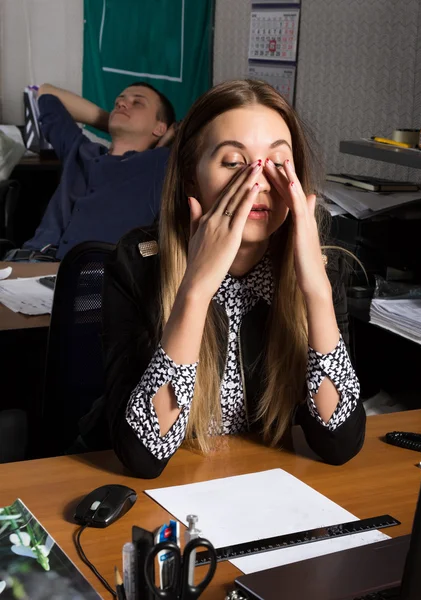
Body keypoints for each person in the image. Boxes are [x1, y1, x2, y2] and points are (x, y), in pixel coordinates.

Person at [83, 79, 365, 478]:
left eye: (279, 164)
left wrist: (316, 291)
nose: (257, 183)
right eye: (233, 163)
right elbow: (145, 457)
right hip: (156, 493)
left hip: (254, 486)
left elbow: (339, 444)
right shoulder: (138, 262)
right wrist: (195, 289)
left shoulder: (321, 270)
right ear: (191, 177)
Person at [16, 82, 176, 260]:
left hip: (87, 275)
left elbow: (195, 131)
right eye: (118, 103)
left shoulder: (161, 163)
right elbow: (45, 93)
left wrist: (163, 141)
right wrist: (113, 120)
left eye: (137, 103)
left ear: (161, 128)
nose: (122, 104)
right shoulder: (81, 151)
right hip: (25, 261)